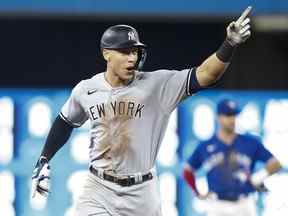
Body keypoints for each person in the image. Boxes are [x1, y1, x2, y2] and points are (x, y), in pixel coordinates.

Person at [31, 6, 253, 216]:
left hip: (142, 192)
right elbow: (65, 121)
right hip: (97, 187)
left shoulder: (157, 85)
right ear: (107, 54)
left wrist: (229, 44)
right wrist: (44, 158)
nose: (132, 58)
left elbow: (206, 75)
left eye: (135, 52)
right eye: (125, 52)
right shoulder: (86, 89)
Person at [183, 98, 282, 216]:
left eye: (234, 115)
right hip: (217, 205)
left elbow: (275, 164)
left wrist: (257, 177)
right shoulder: (206, 146)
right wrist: (197, 192)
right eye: (228, 115)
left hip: (244, 203)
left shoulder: (250, 142)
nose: (232, 119)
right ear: (218, 117)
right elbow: (187, 170)